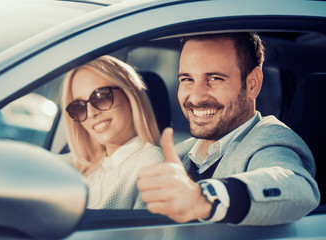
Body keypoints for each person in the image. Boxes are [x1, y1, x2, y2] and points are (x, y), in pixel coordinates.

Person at [137, 32, 320, 225]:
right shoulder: (180, 152)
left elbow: (297, 187)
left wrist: (203, 198)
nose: (196, 97)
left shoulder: (271, 141)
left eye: (215, 78)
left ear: (252, 84)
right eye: (187, 79)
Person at [62, 55, 163, 209]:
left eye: (101, 97)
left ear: (130, 95)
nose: (90, 113)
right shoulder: (81, 165)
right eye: (79, 106)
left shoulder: (151, 161)